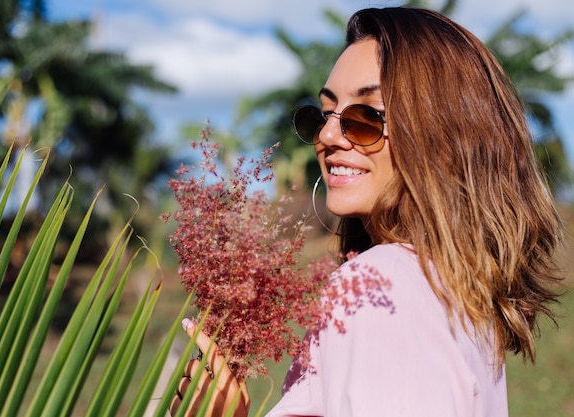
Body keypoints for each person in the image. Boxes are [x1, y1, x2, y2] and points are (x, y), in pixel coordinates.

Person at [170, 6, 564, 417]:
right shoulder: (458, 296)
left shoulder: (374, 288)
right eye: (324, 114)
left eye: (366, 117)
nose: (326, 135)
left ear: (443, 134)